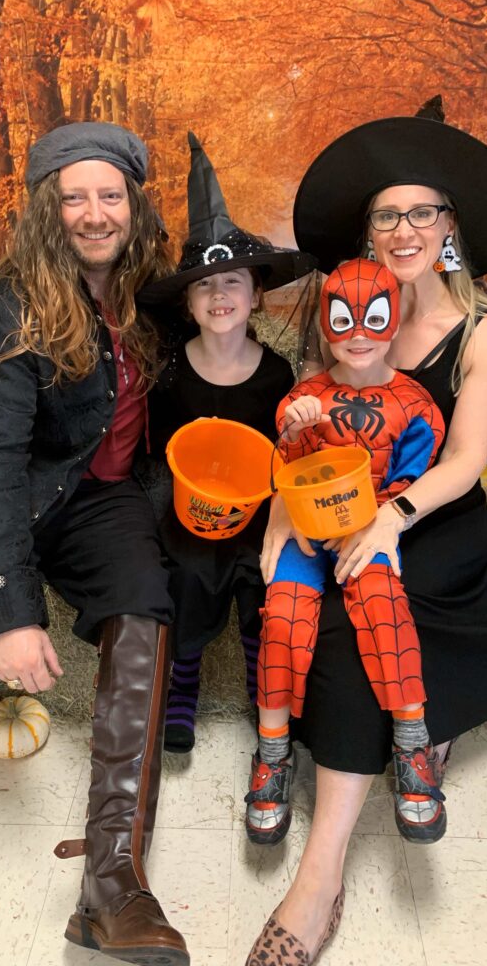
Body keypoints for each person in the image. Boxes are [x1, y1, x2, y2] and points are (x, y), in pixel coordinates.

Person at [247, 101, 487, 965]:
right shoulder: (346, 319)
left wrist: (393, 521)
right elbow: (308, 443)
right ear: (368, 235)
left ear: (450, 227)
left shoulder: (486, 331)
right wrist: (283, 517)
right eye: (386, 216)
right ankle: (322, 875)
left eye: (422, 212)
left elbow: (466, 459)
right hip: (342, 519)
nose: (404, 229)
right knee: (340, 624)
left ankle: (383, 780)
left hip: (431, 518)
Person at [0, 122, 191, 966]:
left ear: (134, 204)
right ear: (49, 207)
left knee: (145, 604)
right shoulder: (7, 303)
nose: (94, 212)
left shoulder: (150, 290)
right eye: (74, 195)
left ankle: (112, 885)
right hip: (20, 482)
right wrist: (12, 608)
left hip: (103, 496)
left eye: (111, 194)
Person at [249, 256, 446, 848]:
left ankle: (413, 746)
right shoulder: (301, 398)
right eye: (343, 318)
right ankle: (272, 753)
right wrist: (295, 431)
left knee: (384, 605)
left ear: (394, 319)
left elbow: (410, 483)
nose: (358, 332)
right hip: (307, 530)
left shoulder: (415, 406)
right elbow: (284, 465)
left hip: (367, 530)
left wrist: (376, 524)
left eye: (373, 316)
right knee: (282, 618)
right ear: (326, 325)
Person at [136, 132, 314, 754]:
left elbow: (284, 454)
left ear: (257, 295)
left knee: (260, 575)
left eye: (233, 282)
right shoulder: (171, 369)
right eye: (205, 286)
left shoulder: (276, 373)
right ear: (188, 300)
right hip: (187, 506)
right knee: (184, 571)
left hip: (254, 508)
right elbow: (155, 450)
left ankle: (259, 681)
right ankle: (181, 683)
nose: (219, 295)